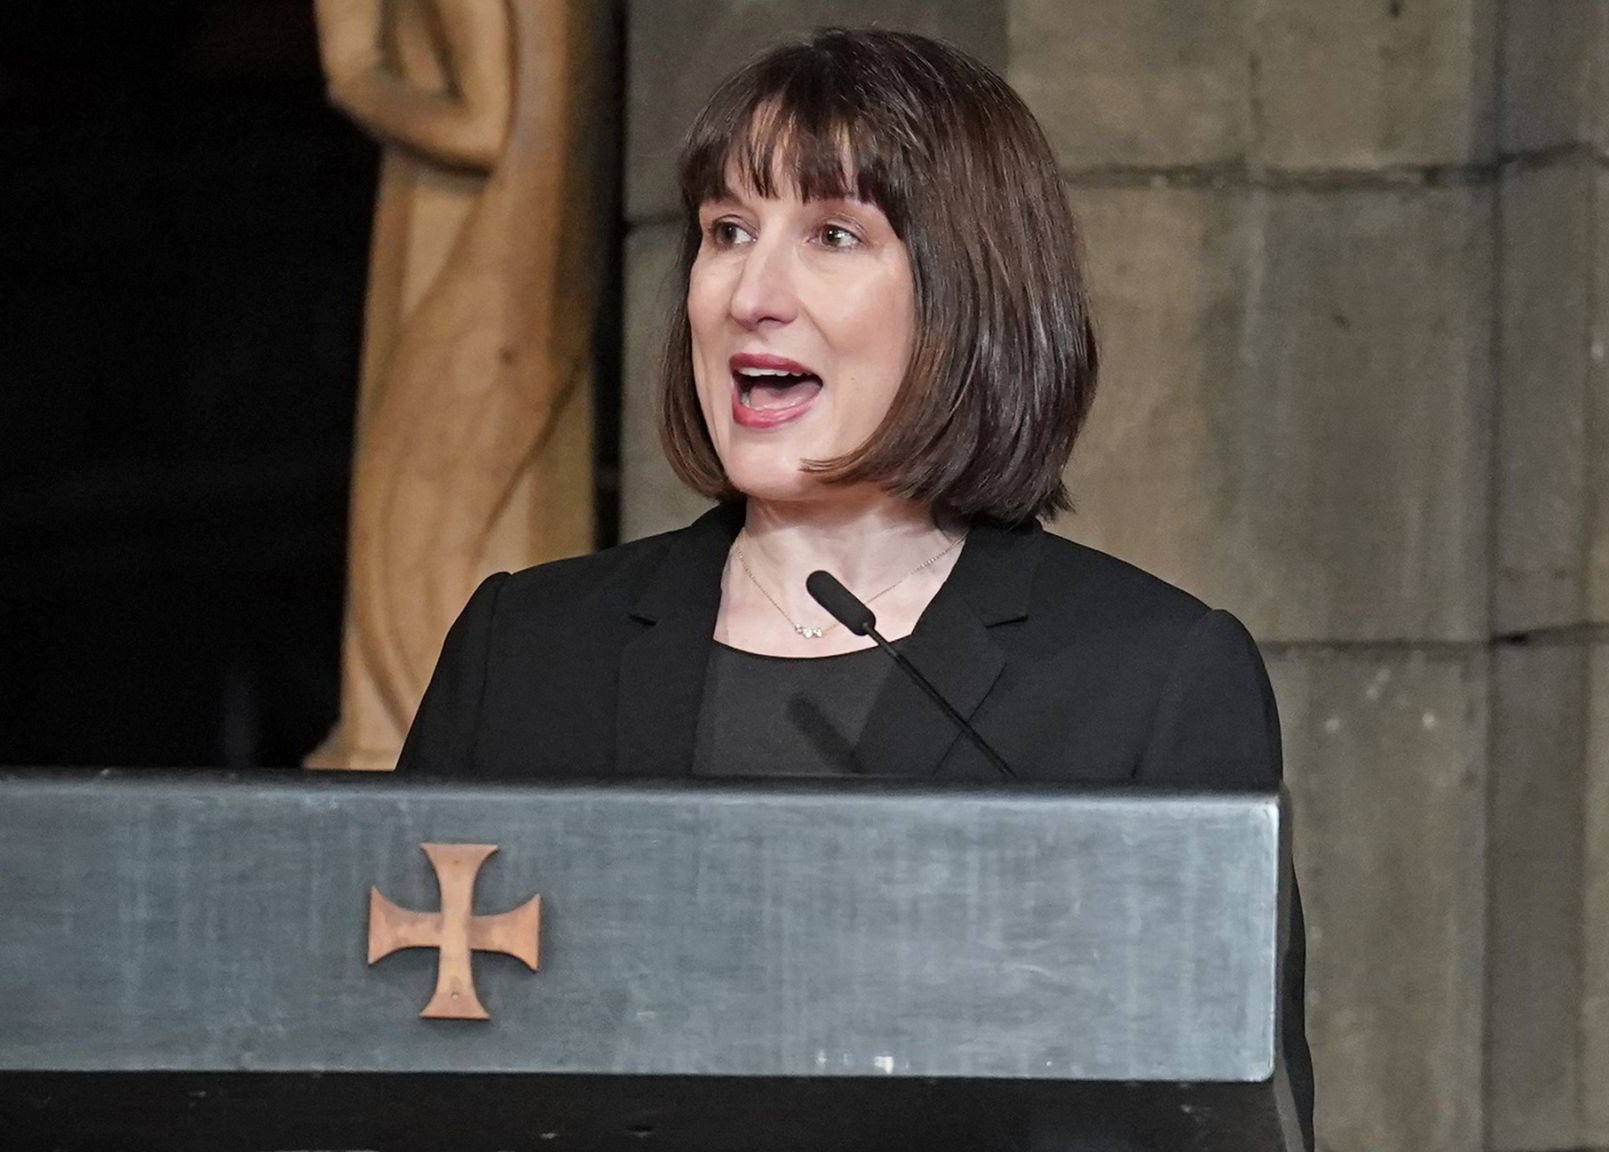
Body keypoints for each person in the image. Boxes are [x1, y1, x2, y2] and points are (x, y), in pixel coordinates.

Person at [397, 26, 1313, 1147]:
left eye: (832, 234)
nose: (749, 292)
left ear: (965, 298)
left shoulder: (1143, 683)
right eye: (726, 232)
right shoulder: (527, 650)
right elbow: (390, 1072)